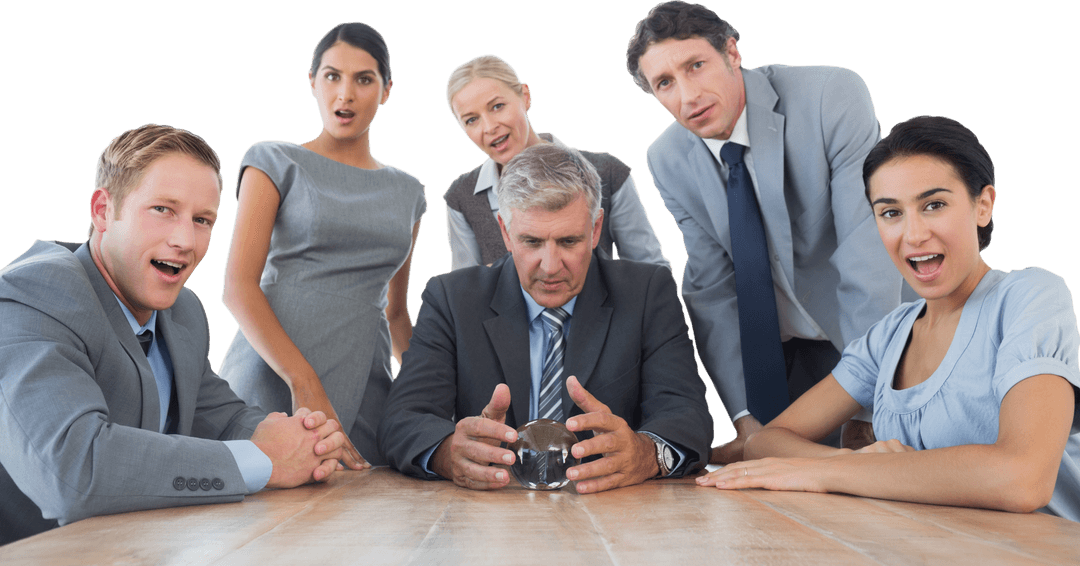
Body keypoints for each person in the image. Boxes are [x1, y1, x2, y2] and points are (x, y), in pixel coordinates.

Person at [697, 115, 1080, 521]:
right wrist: (851, 468)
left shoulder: (1029, 298)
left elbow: (1022, 478)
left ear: (982, 205)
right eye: (891, 213)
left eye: (934, 205)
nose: (913, 235)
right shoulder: (889, 337)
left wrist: (842, 470)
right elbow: (766, 441)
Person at [0, 124, 348, 545]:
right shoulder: (35, 294)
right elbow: (74, 471)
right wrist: (263, 461)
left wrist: (304, 442)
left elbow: (223, 419)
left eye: (202, 220)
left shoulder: (182, 312)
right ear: (102, 212)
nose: (185, 240)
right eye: (162, 209)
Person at [626, 1, 908, 463]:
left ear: (732, 53)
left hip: (874, 340)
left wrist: (870, 406)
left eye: (696, 66)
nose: (687, 95)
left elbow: (867, 249)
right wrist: (744, 417)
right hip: (780, 359)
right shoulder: (667, 159)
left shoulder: (829, 95)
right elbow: (712, 287)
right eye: (665, 83)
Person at [378, 143, 712, 493]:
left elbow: (687, 416)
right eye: (532, 242)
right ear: (505, 233)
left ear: (596, 229)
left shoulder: (646, 294)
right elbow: (402, 420)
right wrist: (448, 454)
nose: (551, 267)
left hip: (612, 512)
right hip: (491, 518)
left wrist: (645, 455)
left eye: (569, 241)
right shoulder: (452, 299)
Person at [218, 22, 426, 468]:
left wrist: (431, 392)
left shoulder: (410, 192)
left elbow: (395, 311)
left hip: (364, 381)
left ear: (387, 90)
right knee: (256, 524)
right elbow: (237, 286)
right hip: (274, 375)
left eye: (363, 79)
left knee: (361, 524)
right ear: (312, 82)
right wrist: (303, 382)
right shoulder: (273, 160)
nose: (344, 94)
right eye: (332, 76)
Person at [443, 54, 670, 271]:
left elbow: (650, 272)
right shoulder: (462, 197)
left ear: (525, 96)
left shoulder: (607, 173)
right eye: (472, 120)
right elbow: (465, 293)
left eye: (497, 106)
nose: (489, 127)